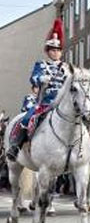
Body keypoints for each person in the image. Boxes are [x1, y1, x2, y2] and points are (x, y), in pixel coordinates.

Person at [6, 19, 68, 161]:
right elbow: (34, 78)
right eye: (52, 50)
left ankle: (89, 149)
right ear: (48, 51)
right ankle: (15, 146)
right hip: (44, 103)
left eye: (58, 50)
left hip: (63, 104)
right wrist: (41, 79)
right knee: (27, 118)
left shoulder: (66, 67)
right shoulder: (41, 65)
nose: (55, 53)